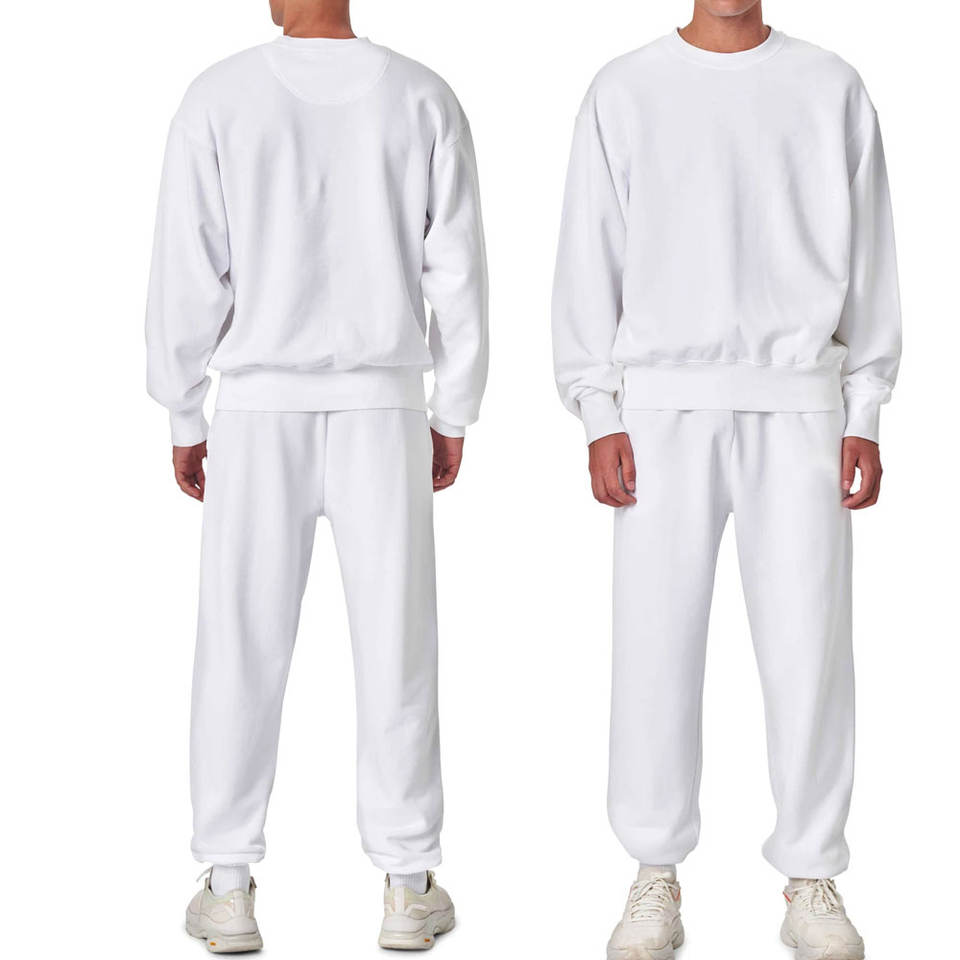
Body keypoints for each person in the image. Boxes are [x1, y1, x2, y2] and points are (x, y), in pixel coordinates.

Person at [552, 2, 900, 958]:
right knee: (654, 641)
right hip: (662, 406)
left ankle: (811, 872)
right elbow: (590, 251)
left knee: (809, 644)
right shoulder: (626, 88)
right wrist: (599, 410)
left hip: (801, 400)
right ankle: (654, 870)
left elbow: (870, 256)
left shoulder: (830, 86)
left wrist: (865, 409)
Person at [146, 0, 487, 951]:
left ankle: (227, 884)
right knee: (397, 640)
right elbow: (457, 271)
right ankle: (407, 884)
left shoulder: (219, 96)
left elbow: (189, 269)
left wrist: (183, 409)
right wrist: (452, 408)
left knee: (240, 640)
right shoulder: (421, 95)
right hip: (386, 405)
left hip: (258, 405)